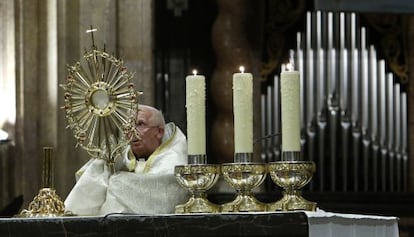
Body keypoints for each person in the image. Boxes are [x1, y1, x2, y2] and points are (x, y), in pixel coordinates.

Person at [64, 105, 188, 215]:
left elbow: (163, 195)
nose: (132, 131)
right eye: (129, 125)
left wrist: (116, 182)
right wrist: (107, 165)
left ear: (159, 132)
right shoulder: (119, 154)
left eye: (140, 124)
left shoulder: (174, 158)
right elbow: (90, 184)